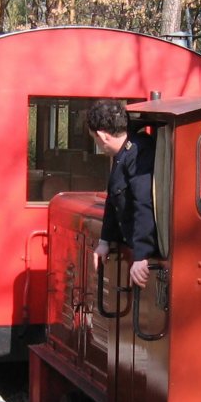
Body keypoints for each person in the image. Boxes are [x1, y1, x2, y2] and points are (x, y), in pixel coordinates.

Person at [86, 99, 158, 288]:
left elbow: (144, 202)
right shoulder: (123, 155)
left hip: (145, 251)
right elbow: (113, 199)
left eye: (94, 138)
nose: (97, 144)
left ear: (102, 136)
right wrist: (104, 241)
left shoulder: (139, 153)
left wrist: (141, 255)